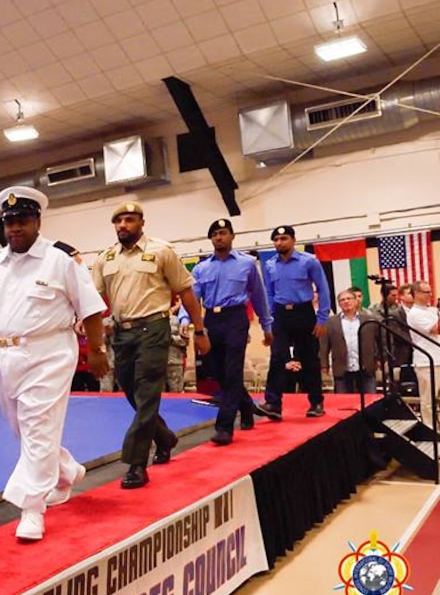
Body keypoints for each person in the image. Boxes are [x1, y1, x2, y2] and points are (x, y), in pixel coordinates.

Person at [0, 186, 107, 541]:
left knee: (37, 426)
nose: (14, 229)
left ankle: (31, 509)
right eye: (8, 222)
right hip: (2, 356)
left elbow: (91, 308)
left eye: (21, 220)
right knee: (24, 429)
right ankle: (66, 470)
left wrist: (96, 349)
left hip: (48, 352)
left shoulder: (61, 260)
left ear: (37, 221)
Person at [91, 202, 210, 489]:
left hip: (154, 329)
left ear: (141, 223)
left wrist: (200, 330)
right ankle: (165, 437)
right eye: (118, 221)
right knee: (131, 392)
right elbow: (93, 299)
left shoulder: (161, 251)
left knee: (146, 393)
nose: (123, 225)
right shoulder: (105, 258)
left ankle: (135, 463)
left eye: (129, 220)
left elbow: (186, 292)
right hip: (121, 333)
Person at [190, 219, 273, 445]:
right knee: (218, 372)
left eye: (223, 233)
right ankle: (246, 408)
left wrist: (267, 326)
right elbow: (193, 298)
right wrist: (185, 320)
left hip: (236, 318)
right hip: (212, 319)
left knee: (233, 369)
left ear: (232, 236)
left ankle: (224, 427)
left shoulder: (247, 263)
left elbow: (259, 296)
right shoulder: (201, 268)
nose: (219, 237)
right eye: (215, 234)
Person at [258, 225, 331, 419]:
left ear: (293, 240)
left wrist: (322, 318)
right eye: (276, 239)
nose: (279, 243)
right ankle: (273, 403)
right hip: (281, 315)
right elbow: (269, 293)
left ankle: (316, 402)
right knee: (277, 357)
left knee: (309, 358)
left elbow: (323, 289)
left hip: (304, 312)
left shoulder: (309, 262)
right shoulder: (270, 264)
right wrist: (269, 318)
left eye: (283, 238)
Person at [320, 288, 380, 394]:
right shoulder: (330, 322)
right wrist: (324, 364)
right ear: (339, 304)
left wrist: (379, 359)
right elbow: (324, 345)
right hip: (342, 369)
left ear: (355, 300)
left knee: (370, 401)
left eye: (349, 298)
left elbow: (380, 341)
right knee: (343, 403)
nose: (346, 301)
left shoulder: (369, 320)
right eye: (342, 300)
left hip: (366, 368)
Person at [406, 280, 440, 429]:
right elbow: (434, 330)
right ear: (417, 294)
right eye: (426, 292)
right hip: (426, 361)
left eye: (430, 291)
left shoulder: (431, 310)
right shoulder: (414, 313)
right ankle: (429, 429)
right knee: (428, 399)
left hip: (438, 357)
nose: (430, 295)